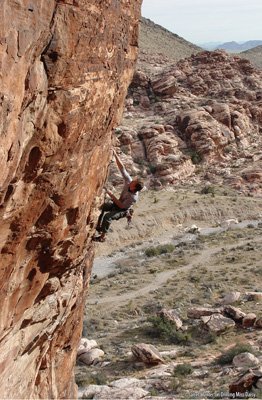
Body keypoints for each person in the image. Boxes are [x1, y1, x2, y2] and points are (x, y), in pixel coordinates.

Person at [94, 150, 144, 242]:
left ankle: (102, 237)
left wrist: (111, 195)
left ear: (134, 187)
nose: (132, 180)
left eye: (134, 182)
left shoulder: (133, 198)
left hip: (123, 210)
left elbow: (121, 206)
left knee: (108, 217)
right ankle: (98, 226)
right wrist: (115, 154)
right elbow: (122, 168)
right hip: (117, 204)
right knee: (102, 206)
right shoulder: (129, 181)